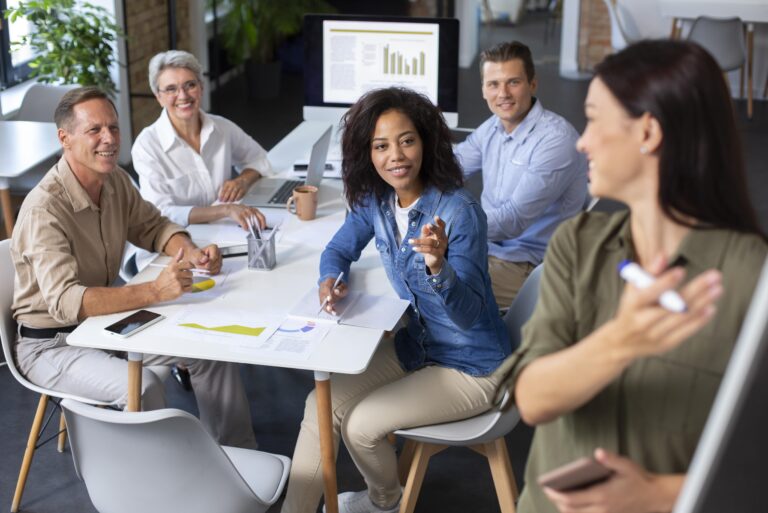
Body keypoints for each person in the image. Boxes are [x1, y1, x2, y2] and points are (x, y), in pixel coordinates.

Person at [491, 40, 767, 513]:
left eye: (595, 119)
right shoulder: (577, 244)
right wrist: (621, 341)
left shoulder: (752, 277)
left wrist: (659, 495)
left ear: (649, 131)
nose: (582, 140)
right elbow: (532, 400)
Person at [280, 87, 511, 513]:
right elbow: (337, 250)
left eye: (407, 140)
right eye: (381, 146)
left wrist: (438, 266)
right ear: (367, 154)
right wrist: (330, 279)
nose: (396, 156)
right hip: (417, 347)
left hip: (472, 365)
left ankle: (384, 503)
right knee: (321, 403)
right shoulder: (376, 200)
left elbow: (469, 316)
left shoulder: (458, 211)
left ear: (425, 141)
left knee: (361, 426)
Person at [10, 87, 257, 448]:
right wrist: (155, 291)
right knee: (141, 386)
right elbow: (67, 302)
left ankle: (234, 456)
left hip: (103, 326)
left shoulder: (114, 181)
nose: (109, 139)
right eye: (94, 130)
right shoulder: (44, 210)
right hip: (52, 345)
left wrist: (188, 251)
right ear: (65, 138)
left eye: (113, 127)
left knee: (210, 352)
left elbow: (153, 227)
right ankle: (160, 484)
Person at [454, 40, 588, 309]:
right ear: (483, 90)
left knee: (435, 289)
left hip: (528, 264)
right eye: (493, 84)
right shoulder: (493, 127)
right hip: (487, 249)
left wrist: (449, 228)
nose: (502, 93)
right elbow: (452, 166)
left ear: (532, 84)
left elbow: (512, 221)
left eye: (513, 82)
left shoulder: (555, 140)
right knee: (410, 263)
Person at [132, 50, 271, 232]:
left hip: (227, 229)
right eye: (171, 89)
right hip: (183, 238)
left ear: (201, 87)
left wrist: (243, 181)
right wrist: (225, 210)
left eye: (190, 85)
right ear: (159, 97)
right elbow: (161, 212)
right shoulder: (147, 146)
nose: (183, 96)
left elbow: (259, 158)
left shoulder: (222, 127)